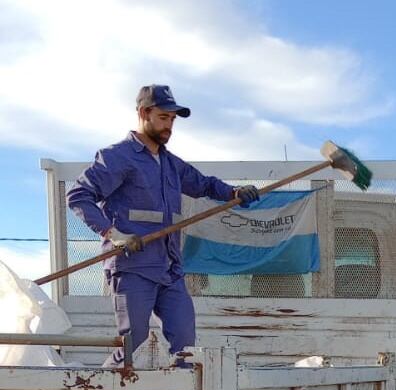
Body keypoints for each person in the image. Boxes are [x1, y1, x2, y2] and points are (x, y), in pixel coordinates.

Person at [67, 85, 261, 366]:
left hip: (169, 270)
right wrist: (113, 233)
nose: (169, 125)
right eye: (163, 117)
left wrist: (234, 193)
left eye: (172, 119)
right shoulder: (118, 157)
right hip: (133, 268)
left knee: (185, 344)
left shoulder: (170, 164)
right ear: (144, 112)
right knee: (134, 348)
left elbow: (204, 184)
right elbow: (78, 196)